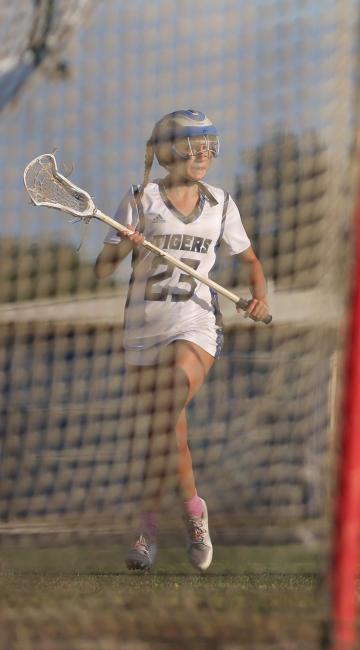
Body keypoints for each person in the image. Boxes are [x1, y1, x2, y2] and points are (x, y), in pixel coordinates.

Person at [95, 109, 269, 572]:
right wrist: (125, 245)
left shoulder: (222, 205)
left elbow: (251, 262)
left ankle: (145, 532)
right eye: (194, 146)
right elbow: (101, 267)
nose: (203, 156)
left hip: (196, 327)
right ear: (171, 150)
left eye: (209, 146)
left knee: (171, 397)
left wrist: (257, 297)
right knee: (169, 434)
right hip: (141, 332)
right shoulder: (141, 200)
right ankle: (193, 511)